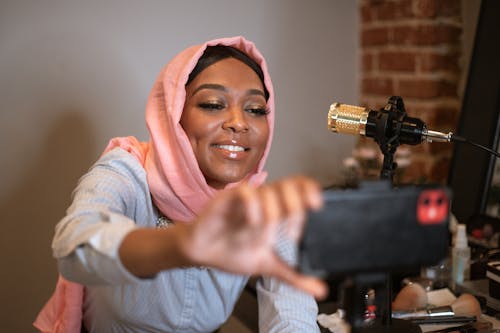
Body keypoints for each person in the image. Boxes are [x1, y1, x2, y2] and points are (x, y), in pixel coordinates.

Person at [35, 36, 327, 333]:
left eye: (255, 109)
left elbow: (292, 315)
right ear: (173, 116)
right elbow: (74, 246)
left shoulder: (261, 208)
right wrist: (182, 245)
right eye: (213, 104)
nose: (239, 122)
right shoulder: (127, 172)